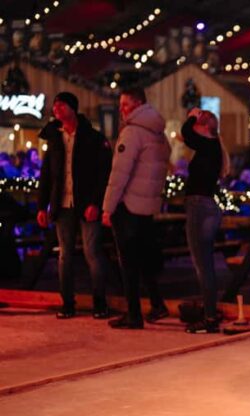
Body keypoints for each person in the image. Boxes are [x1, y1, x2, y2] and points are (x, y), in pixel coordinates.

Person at [36, 91, 112, 319]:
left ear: (72, 108)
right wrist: (43, 206)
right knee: (64, 255)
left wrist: (96, 203)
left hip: (86, 203)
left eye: (60, 105)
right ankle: (67, 302)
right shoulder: (54, 139)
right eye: (55, 105)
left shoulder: (92, 138)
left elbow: (103, 173)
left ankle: (100, 302)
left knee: (92, 253)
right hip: (62, 204)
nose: (56, 109)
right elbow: (47, 174)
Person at [102, 87, 170, 329]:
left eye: (126, 105)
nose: (121, 109)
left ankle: (133, 313)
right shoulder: (158, 132)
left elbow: (119, 173)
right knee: (142, 258)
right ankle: (156, 302)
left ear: (139, 104)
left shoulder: (132, 133)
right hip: (147, 205)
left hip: (128, 205)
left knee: (128, 261)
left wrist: (108, 207)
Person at [180, 108, 229, 333]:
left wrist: (191, 115)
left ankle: (209, 318)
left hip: (199, 206)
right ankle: (210, 313)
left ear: (204, 126)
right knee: (206, 264)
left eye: (197, 123)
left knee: (203, 266)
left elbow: (185, 133)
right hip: (207, 205)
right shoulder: (213, 147)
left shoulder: (208, 144)